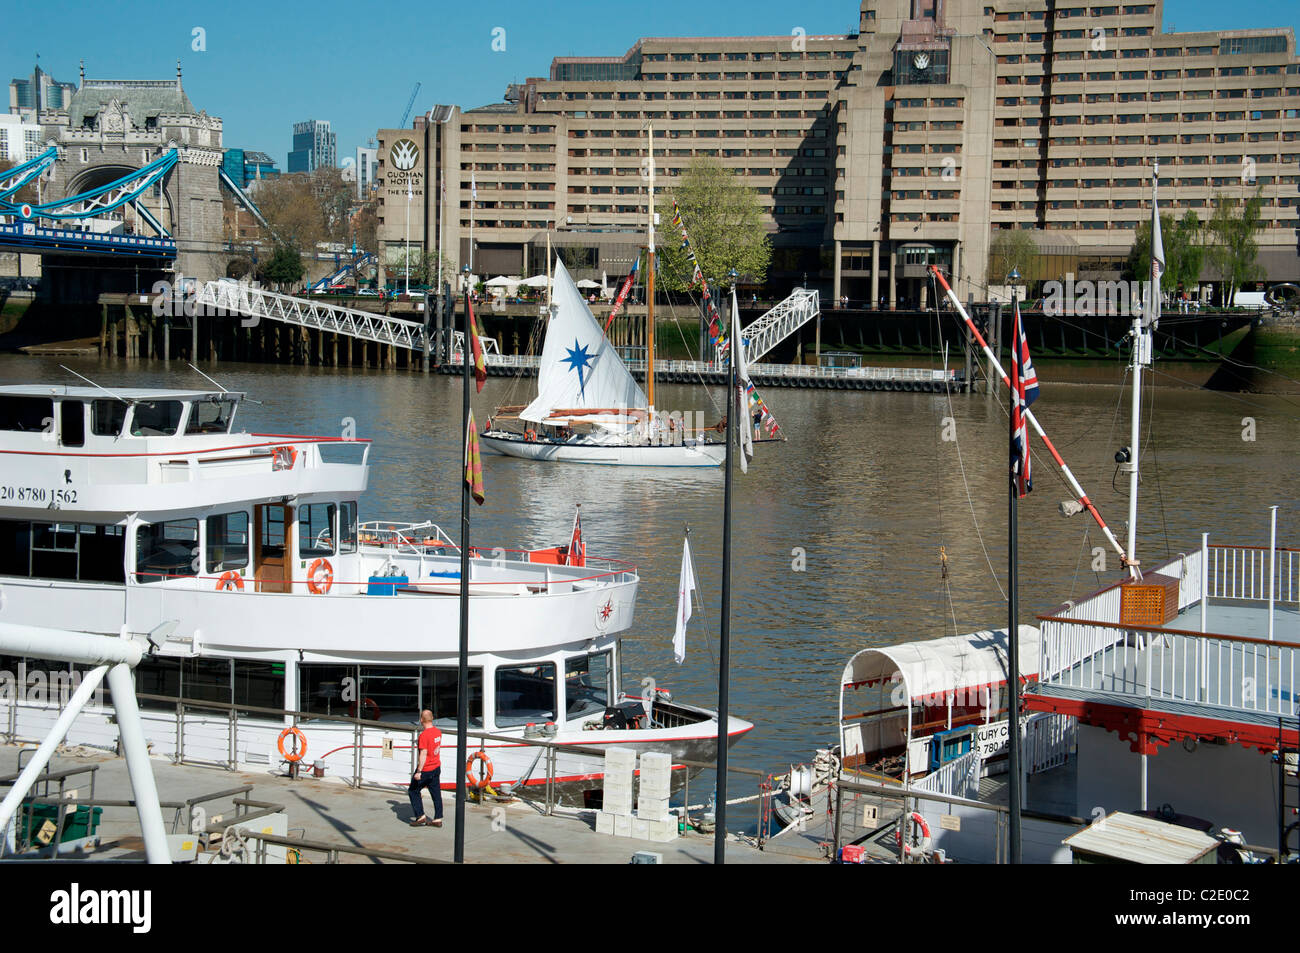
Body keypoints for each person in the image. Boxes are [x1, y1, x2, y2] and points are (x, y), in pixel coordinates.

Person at [408, 709, 443, 827]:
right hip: (436, 766)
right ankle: (438, 818)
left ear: (421, 720)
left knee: (413, 790)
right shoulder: (438, 732)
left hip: (426, 769)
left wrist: (419, 771)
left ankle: (420, 816)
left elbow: (423, 754)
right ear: (432, 718)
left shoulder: (423, 735)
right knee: (436, 793)